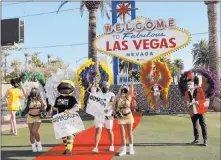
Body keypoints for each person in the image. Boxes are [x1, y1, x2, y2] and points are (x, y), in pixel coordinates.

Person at [52, 80, 80, 156]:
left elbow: (77, 107)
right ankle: (67, 148)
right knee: (63, 134)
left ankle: (69, 149)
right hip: (61, 118)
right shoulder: (58, 98)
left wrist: (70, 110)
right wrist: (53, 117)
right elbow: (55, 108)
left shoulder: (71, 98)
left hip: (70, 117)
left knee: (70, 133)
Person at [112, 78, 135, 156]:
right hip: (121, 116)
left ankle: (131, 149)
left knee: (130, 133)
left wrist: (132, 80)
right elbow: (113, 105)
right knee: (122, 134)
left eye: (125, 89)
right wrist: (114, 112)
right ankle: (123, 150)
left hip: (129, 116)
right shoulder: (117, 97)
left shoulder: (129, 96)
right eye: (123, 89)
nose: (124, 90)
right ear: (121, 89)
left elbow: (132, 88)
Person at [184, 73, 208, 146]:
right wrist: (187, 105)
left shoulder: (199, 90)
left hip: (200, 110)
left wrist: (197, 102)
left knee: (202, 125)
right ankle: (196, 139)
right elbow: (186, 102)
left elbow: (204, 100)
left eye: (190, 84)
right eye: (188, 85)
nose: (189, 86)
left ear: (194, 84)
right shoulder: (186, 93)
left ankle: (205, 140)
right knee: (195, 126)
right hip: (192, 112)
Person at [92, 81, 115, 153]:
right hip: (99, 115)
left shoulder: (112, 94)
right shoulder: (97, 94)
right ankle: (95, 147)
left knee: (109, 130)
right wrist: (93, 91)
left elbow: (112, 104)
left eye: (106, 86)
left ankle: (111, 145)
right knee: (98, 130)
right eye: (103, 86)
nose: (104, 87)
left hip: (108, 115)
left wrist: (107, 110)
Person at [23, 87, 47, 152]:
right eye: (32, 91)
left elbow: (45, 105)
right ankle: (33, 146)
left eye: (35, 91)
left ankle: (39, 144)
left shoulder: (40, 98)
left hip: (38, 117)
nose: (33, 93)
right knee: (31, 133)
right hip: (30, 117)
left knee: (34, 131)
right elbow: (24, 92)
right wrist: (21, 83)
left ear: (37, 92)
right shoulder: (29, 98)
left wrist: (43, 110)